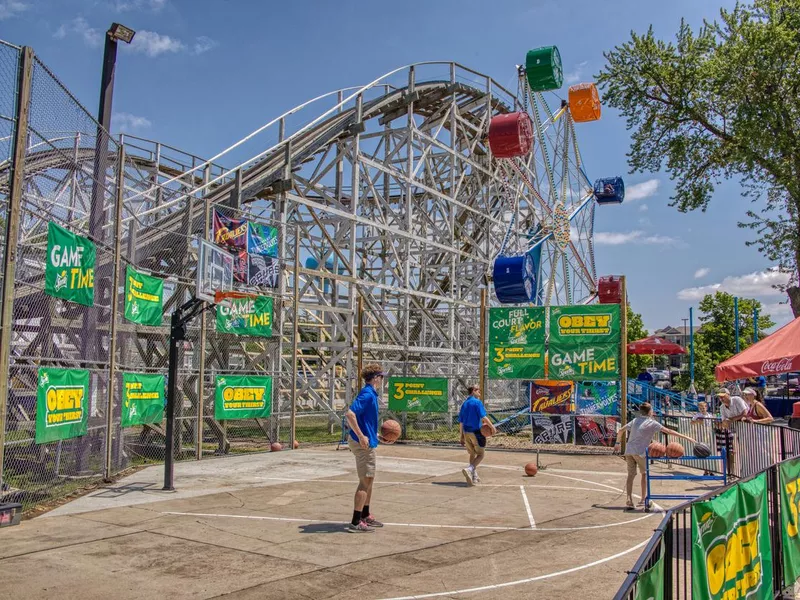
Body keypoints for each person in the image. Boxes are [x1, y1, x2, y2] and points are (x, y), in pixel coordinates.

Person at [614, 403, 695, 511]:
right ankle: (643, 499)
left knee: (631, 475)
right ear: (650, 412)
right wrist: (687, 438)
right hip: (640, 452)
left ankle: (629, 500)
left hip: (629, 450)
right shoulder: (651, 423)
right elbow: (669, 431)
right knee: (644, 474)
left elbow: (620, 431)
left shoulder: (635, 420)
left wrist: (617, 443)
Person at [345, 363, 386, 533]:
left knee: (370, 479)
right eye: (381, 376)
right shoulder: (368, 394)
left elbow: (364, 419)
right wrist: (361, 436)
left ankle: (365, 515)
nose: (383, 379)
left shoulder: (371, 394)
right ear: (375, 378)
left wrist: (373, 434)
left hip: (367, 441)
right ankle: (356, 521)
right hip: (362, 444)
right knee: (365, 481)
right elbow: (350, 414)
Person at [458, 385, 496, 486]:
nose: (480, 393)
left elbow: (461, 422)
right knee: (481, 454)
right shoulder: (477, 402)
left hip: (466, 432)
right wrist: (492, 427)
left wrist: (461, 436)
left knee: (472, 454)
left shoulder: (464, 404)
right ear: (474, 391)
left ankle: (473, 476)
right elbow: (483, 417)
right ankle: (470, 469)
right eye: (479, 390)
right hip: (476, 432)